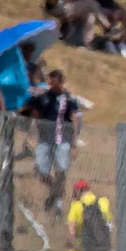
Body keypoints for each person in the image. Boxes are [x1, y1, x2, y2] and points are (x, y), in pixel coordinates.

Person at [23, 69, 80, 211]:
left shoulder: (68, 100)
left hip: (63, 140)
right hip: (45, 139)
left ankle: (58, 202)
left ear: (61, 82)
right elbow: (35, 116)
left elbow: (74, 120)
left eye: (56, 82)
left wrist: (74, 143)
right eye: (51, 81)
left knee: (61, 171)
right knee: (41, 171)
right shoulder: (43, 98)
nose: (53, 84)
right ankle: (55, 190)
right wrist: (30, 135)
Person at [66, 179, 113, 251]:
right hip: (105, 250)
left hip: (86, 250)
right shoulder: (103, 201)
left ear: (78, 191)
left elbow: (72, 232)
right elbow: (109, 225)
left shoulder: (76, 206)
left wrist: (70, 244)